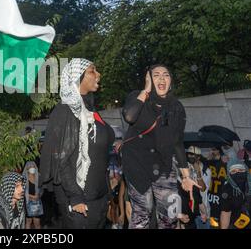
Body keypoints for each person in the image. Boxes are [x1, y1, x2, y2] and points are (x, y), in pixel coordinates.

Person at [121, 65, 199, 229]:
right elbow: (129, 116)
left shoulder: (176, 107)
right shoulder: (137, 97)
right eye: (156, 75)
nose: (162, 78)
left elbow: (177, 142)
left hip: (163, 164)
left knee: (170, 214)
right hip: (137, 164)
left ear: (171, 81)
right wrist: (146, 90)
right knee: (143, 213)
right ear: (148, 79)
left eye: (166, 75)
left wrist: (186, 176)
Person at [40, 59, 115, 229]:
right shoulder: (64, 111)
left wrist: (106, 193)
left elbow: (101, 150)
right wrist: (75, 197)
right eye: (92, 71)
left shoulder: (90, 111)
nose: (98, 74)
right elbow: (60, 158)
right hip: (79, 201)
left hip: (99, 198)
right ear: (77, 78)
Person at [219, 159, 250, 229]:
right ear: (229, 175)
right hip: (238, 225)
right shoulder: (227, 189)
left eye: (241, 170)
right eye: (233, 171)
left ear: (246, 171)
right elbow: (225, 214)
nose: (238, 173)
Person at [207, 146, 229, 228]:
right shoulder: (209, 161)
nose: (212, 151)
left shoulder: (224, 160)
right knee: (213, 217)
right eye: (211, 149)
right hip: (212, 193)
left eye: (214, 149)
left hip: (221, 193)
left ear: (219, 150)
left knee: (221, 214)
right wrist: (208, 158)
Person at [23, 161, 43, 229]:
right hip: (27, 202)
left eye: (33, 166)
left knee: (37, 222)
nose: (32, 168)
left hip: (37, 203)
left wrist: (38, 195)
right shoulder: (24, 179)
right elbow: (21, 191)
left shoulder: (38, 177)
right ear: (27, 168)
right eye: (30, 167)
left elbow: (42, 189)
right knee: (28, 221)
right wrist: (31, 196)